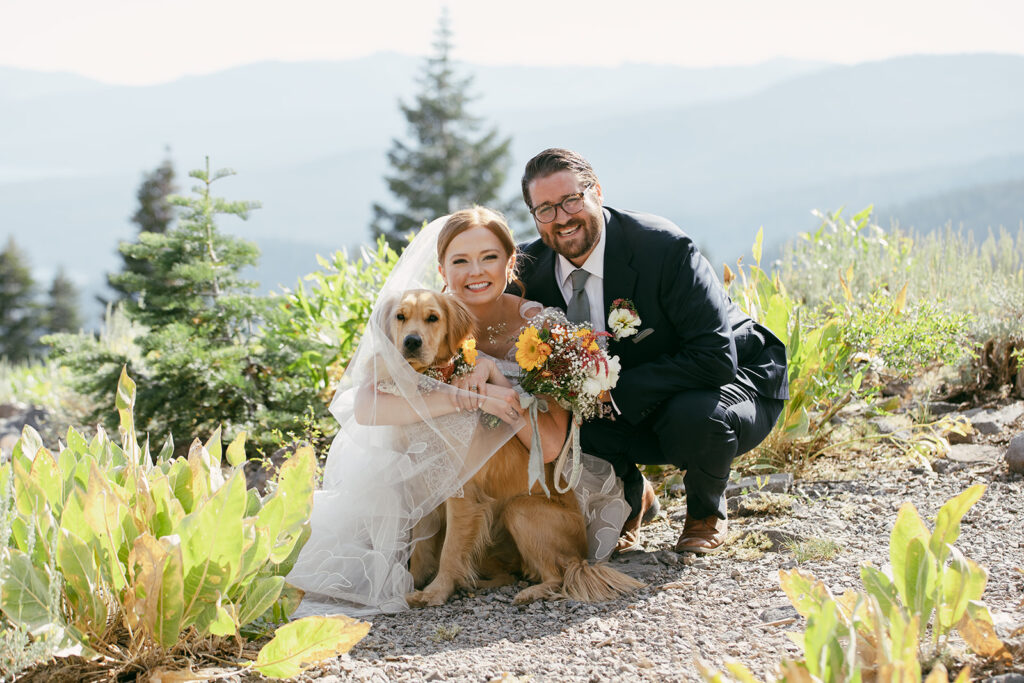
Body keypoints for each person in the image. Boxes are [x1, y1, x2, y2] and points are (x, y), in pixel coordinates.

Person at [288, 207, 629, 617]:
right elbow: (367, 407)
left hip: (535, 489)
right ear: (442, 269)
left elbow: (551, 445)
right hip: (478, 506)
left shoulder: (542, 328)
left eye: (488, 257)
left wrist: (497, 385)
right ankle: (464, 571)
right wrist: (467, 399)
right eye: (460, 260)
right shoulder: (427, 316)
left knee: (498, 504)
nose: (475, 271)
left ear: (510, 261)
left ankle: (548, 576)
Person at [513, 148, 789, 554]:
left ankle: (705, 512)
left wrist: (615, 392)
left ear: (597, 192)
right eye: (546, 209)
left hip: (731, 379)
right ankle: (627, 499)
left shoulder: (663, 248)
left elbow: (715, 356)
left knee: (694, 417)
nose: (562, 218)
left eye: (572, 200)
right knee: (555, 418)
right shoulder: (528, 270)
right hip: (631, 398)